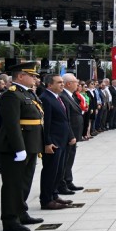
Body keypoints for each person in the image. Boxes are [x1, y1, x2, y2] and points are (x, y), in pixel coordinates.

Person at [0, 63, 45, 231]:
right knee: (13, 184)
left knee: (24, 182)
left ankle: (21, 212)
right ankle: (10, 219)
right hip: (16, 147)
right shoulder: (11, 95)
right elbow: (12, 125)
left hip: (31, 144)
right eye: (31, 75)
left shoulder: (26, 93)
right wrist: (19, 148)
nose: (35, 78)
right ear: (20, 76)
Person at [39, 75, 74, 211]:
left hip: (62, 140)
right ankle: (46, 200)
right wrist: (47, 142)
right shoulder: (45, 99)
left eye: (62, 82)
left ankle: (54, 195)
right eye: (59, 82)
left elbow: (65, 120)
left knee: (59, 171)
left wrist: (70, 136)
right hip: (53, 142)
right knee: (50, 171)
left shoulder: (58, 98)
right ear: (49, 85)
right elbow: (46, 123)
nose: (62, 85)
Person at [59, 74, 84, 194]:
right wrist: (71, 135)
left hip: (74, 133)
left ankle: (68, 181)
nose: (78, 84)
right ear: (69, 83)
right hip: (69, 134)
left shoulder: (71, 95)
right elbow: (66, 118)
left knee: (70, 158)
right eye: (76, 82)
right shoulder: (63, 96)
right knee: (66, 159)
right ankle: (63, 183)